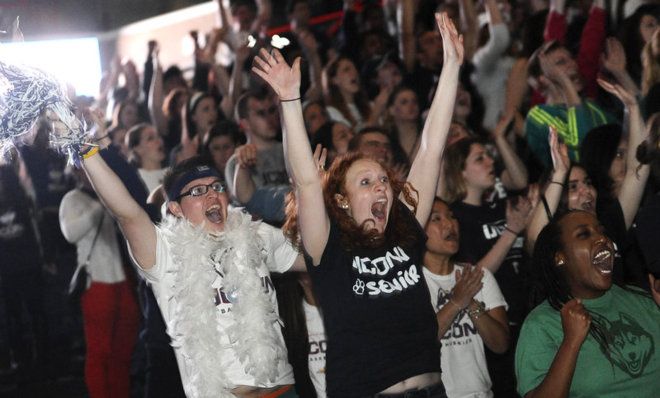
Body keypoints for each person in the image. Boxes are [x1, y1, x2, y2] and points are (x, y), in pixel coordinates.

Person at [252, 11, 462, 397]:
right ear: (343, 202)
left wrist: (451, 66)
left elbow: (431, 150)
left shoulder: (404, 232)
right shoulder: (328, 249)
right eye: (365, 183)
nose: (381, 187)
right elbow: (306, 181)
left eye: (383, 180)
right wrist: (289, 99)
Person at [73, 112, 305, 396]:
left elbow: (317, 258)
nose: (212, 196)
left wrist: (311, 189)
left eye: (217, 187)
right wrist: (88, 151)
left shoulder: (256, 234)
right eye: (197, 191)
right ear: (175, 209)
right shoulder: (166, 253)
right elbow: (127, 213)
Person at [515, 210, 660, 397]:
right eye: (584, 234)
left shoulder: (641, 299)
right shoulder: (541, 324)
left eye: (602, 232)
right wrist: (571, 342)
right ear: (560, 258)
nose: (602, 239)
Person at [59, 168, 140, 398]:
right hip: (97, 280)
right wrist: (99, 205)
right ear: (77, 172)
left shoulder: (111, 194)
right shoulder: (72, 198)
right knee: (100, 350)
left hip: (123, 278)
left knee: (123, 349)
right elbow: (70, 233)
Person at [422, 198, 509, 398]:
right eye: (436, 218)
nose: (449, 224)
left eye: (452, 217)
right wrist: (456, 302)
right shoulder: (412, 283)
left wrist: (470, 302)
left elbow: (500, 344)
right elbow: (419, 345)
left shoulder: (478, 276)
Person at [125, 123, 168, 194]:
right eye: (150, 138)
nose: (158, 140)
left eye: (158, 136)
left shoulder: (171, 172)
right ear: (138, 149)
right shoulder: (137, 181)